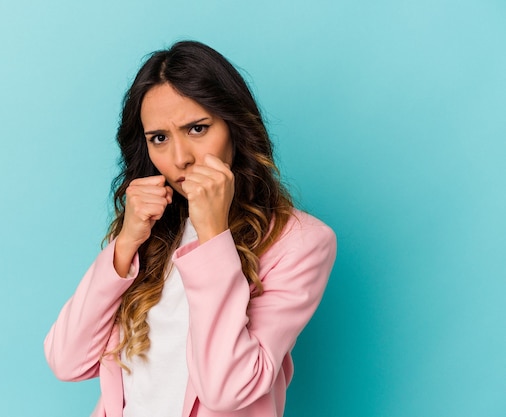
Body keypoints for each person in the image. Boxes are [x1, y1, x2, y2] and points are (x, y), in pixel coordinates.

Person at [44, 40, 336, 417]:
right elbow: (66, 361)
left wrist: (214, 236)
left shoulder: (300, 243)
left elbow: (226, 390)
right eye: (159, 139)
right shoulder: (151, 230)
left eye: (197, 128)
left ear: (235, 127)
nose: (180, 157)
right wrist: (126, 243)